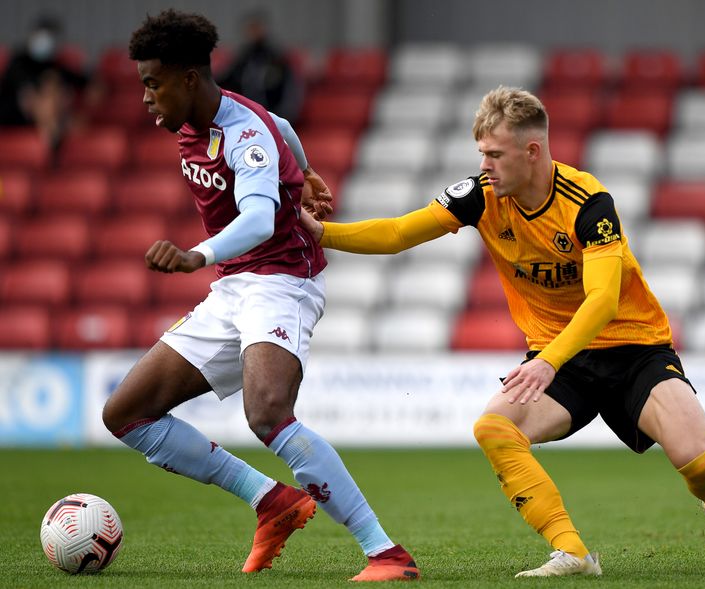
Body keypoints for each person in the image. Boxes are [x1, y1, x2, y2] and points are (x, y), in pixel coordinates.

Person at [300, 86, 705, 577]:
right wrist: (324, 233)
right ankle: (574, 553)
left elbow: (602, 301)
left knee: (701, 465)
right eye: (481, 153)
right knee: (494, 428)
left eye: (494, 154)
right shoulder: (480, 197)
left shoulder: (589, 203)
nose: (485, 165)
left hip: (634, 349)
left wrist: (547, 361)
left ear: (532, 151)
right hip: (560, 361)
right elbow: (398, 233)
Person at [100, 10, 416, 582]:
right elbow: (281, 122)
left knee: (267, 412)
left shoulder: (240, 134)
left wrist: (198, 255)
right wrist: (311, 170)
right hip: (235, 286)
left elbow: (259, 216)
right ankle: (271, 500)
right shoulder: (209, 117)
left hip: (282, 278)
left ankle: (385, 552)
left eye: (153, 82)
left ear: (189, 78)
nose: (146, 97)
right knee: (127, 414)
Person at [0, 15, 89, 150]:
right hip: (13, 118)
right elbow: (25, 91)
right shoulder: (18, 62)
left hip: (49, 122)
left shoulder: (54, 65)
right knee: (47, 97)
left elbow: (82, 80)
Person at [218, 10, 303, 125]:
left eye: (256, 28)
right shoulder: (243, 58)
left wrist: (284, 117)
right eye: (250, 29)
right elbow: (226, 80)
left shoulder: (277, 58)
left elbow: (290, 90)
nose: (254, 33)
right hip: (247, 117)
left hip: (274, 117)